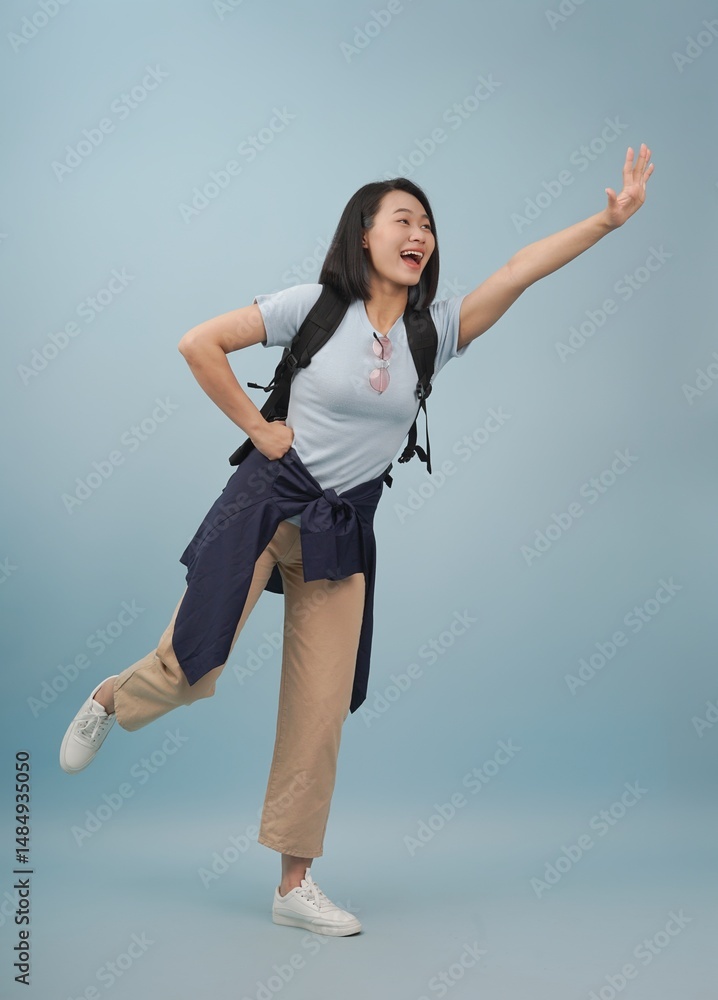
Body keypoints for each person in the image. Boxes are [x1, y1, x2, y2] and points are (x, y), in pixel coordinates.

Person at [59, 145, 654, 935]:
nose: (421, 235)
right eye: (403, 220)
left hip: (344, 530)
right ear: (364, 235)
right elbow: (197, 344)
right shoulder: (310, 306)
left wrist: (608, 223)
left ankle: (293, 885)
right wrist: (257, 429)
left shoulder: (432, 331)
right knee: (190, 667)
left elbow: (518, 270)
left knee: (320, 707)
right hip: (267, 505)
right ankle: (109, 699)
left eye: (429, 225)